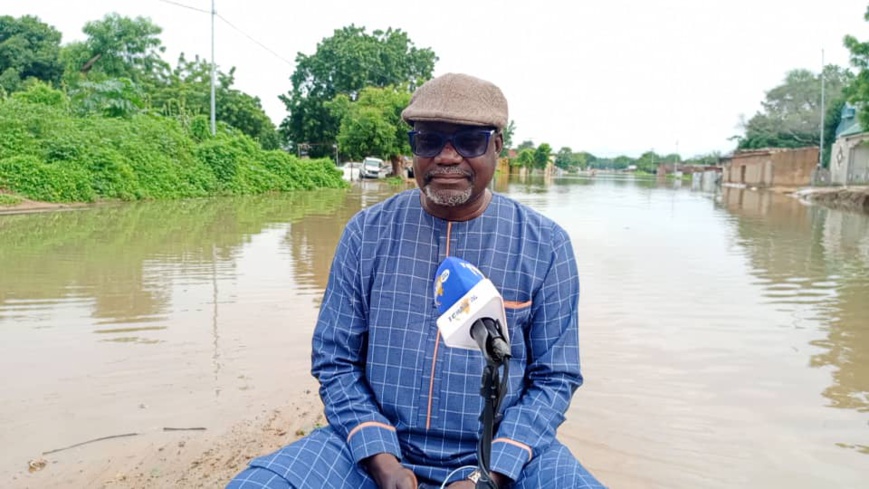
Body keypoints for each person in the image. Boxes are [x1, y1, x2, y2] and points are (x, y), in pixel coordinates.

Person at [227, 73, 604, 489]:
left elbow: (555, 378)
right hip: (372, 450)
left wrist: (489, 474)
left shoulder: (545, 245)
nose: (447, 156)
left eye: (469, 141)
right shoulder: (366, 234)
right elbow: (335, 360)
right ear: (413, 148)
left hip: (504, 457)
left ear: (497, 146)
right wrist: (381, 459)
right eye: (429, 140)